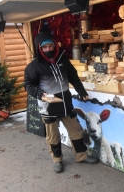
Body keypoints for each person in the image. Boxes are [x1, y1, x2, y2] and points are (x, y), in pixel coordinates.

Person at [24, 31, 98, 173]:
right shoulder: (34, 66)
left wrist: (82, 91)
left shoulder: (63, 60)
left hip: (66, 104)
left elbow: (74, 77)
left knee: (76, 130)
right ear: (40, 48)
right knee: (53, 135)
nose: (48, 50)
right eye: (44, 48)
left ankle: (81, 155)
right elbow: (28, 85)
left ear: (55, 46)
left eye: (50, 46)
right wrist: (40, 94)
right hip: (48, 106)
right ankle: (57, 160)